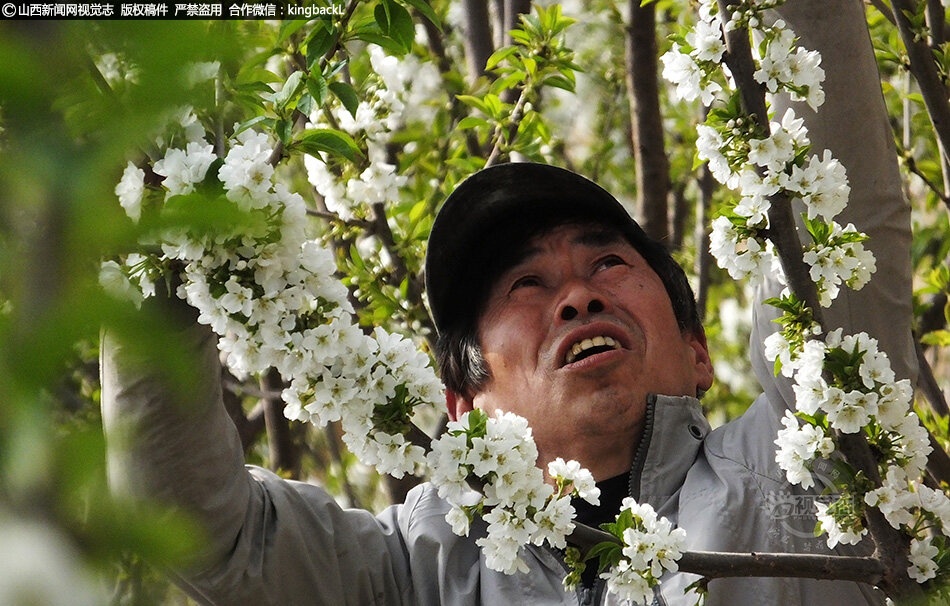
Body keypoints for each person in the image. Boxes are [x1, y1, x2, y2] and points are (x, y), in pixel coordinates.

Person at [100, 2, 915, 605]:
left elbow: (842, 243)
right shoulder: (417, 571)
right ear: (462, 407)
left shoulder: (800, 473)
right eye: (526, 286)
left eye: (607, 261)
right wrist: (173, 244)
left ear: (698, 353)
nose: (577, 297)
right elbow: (202, 529)